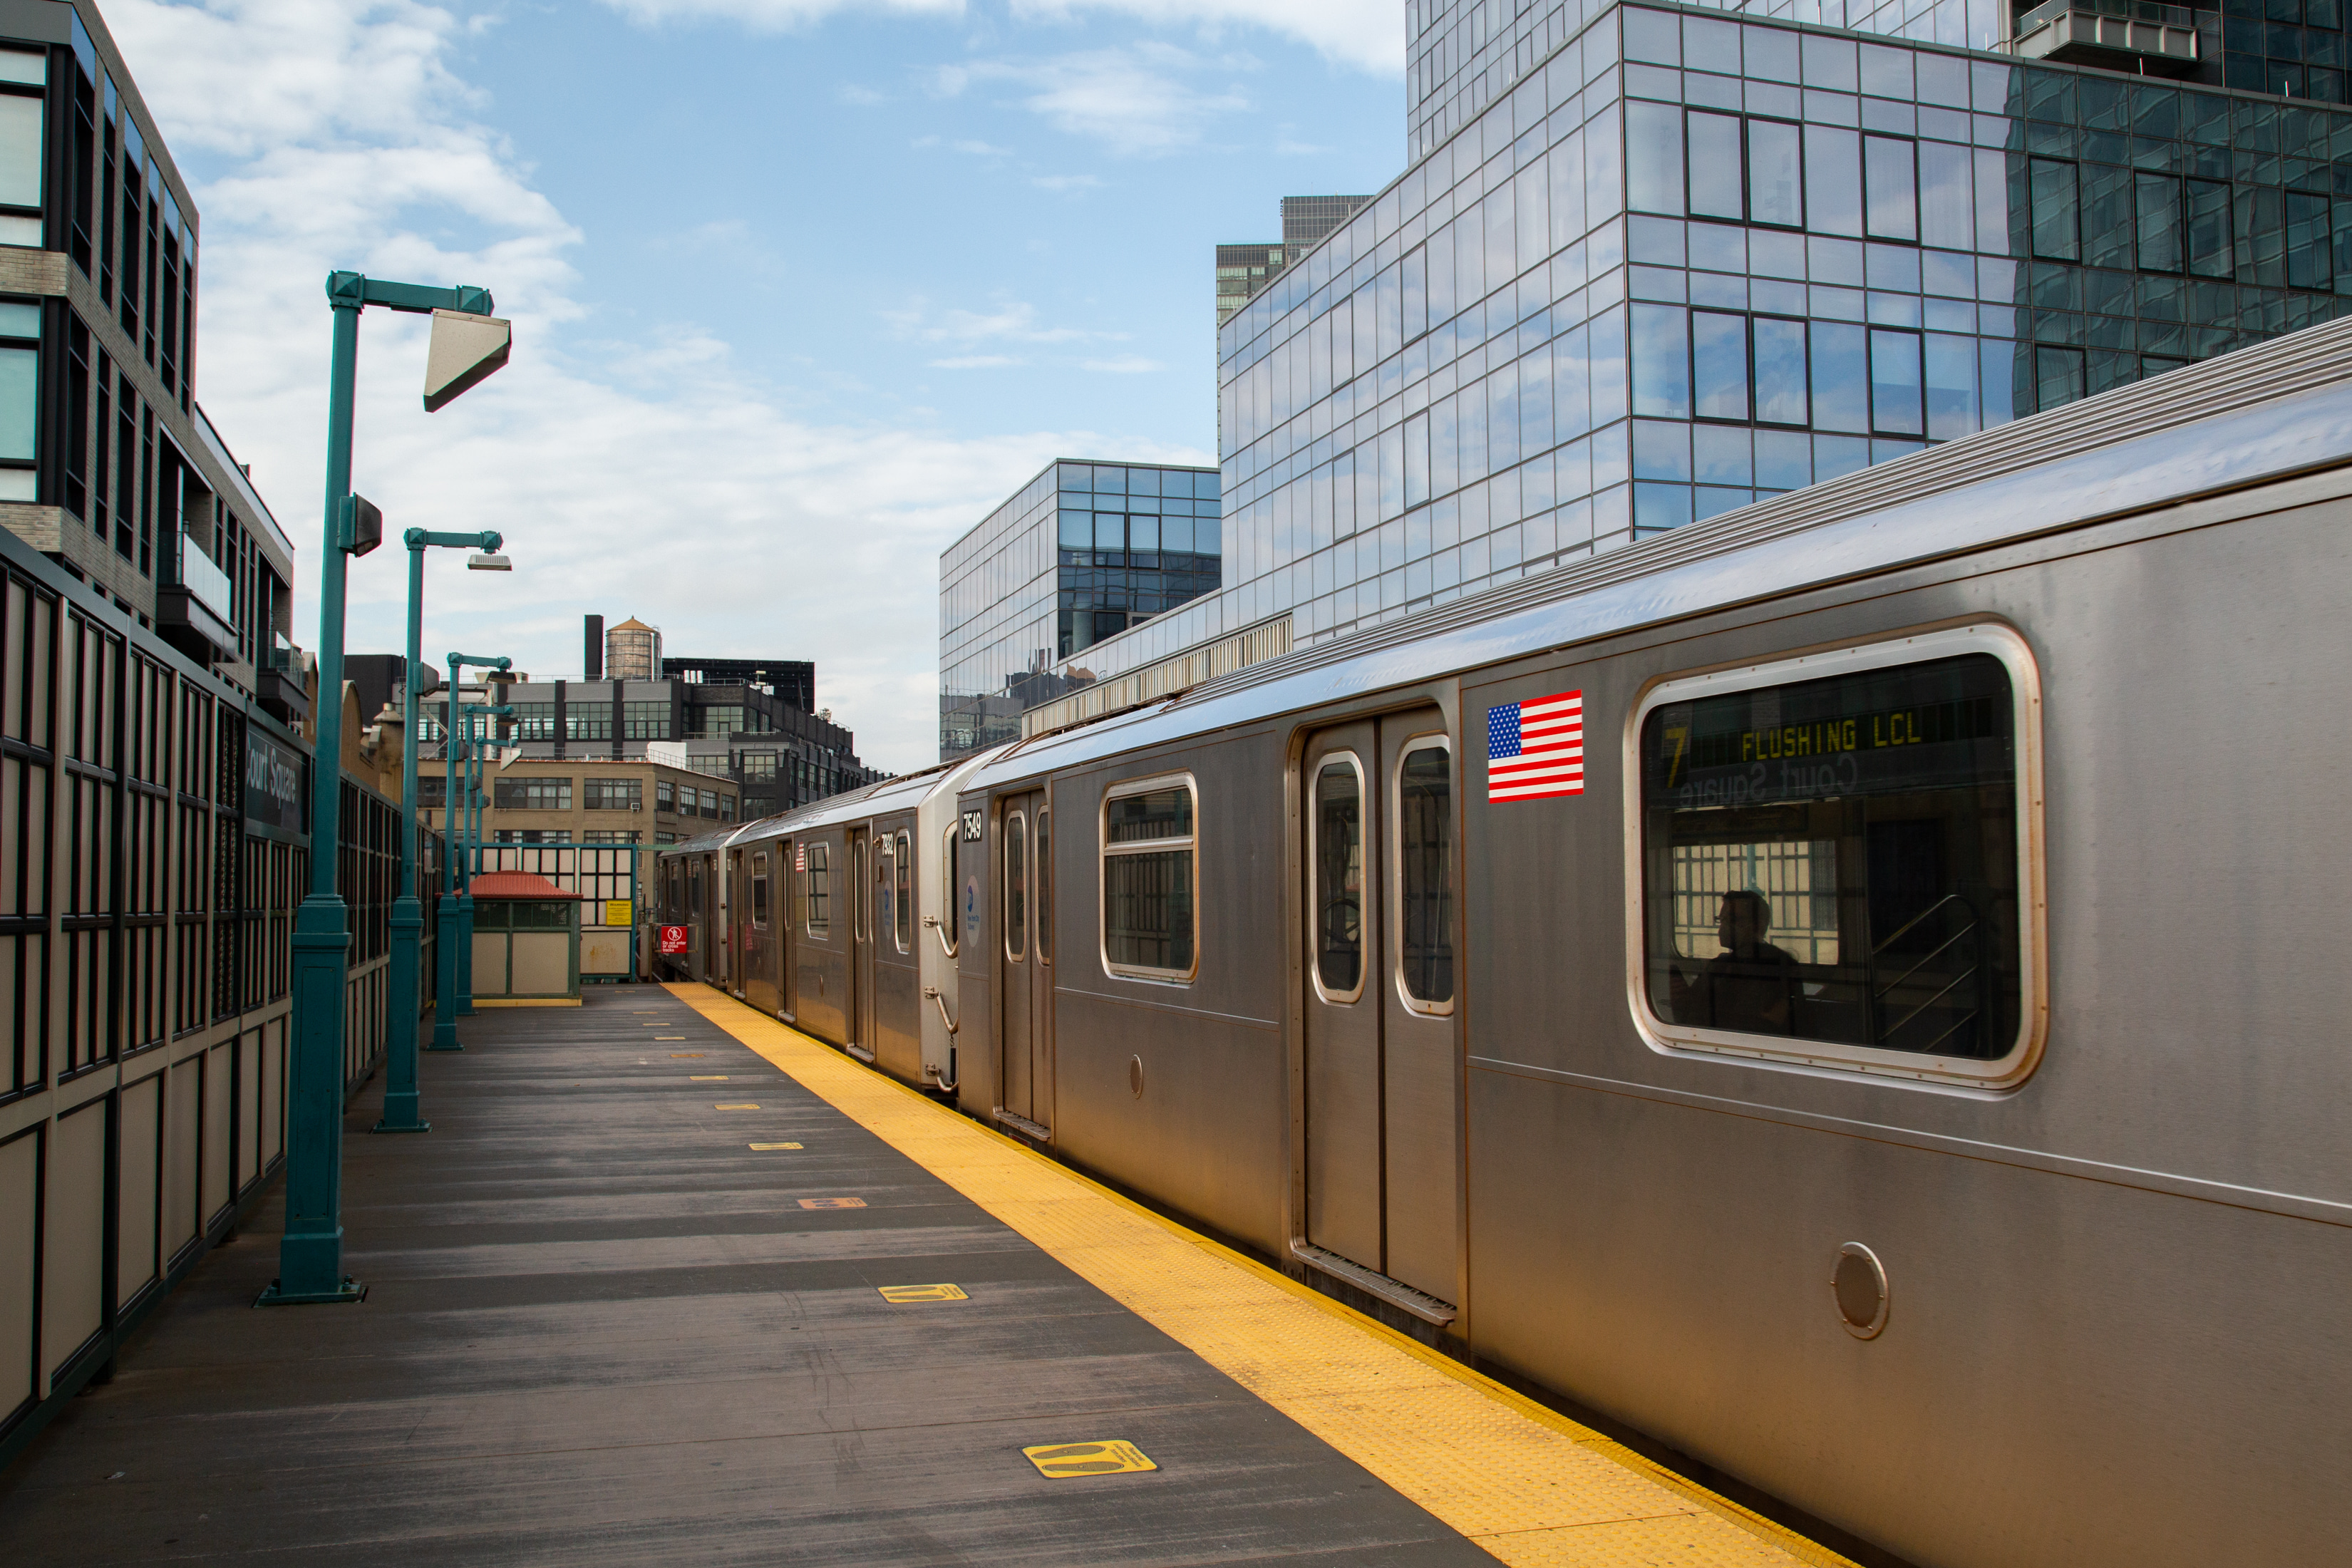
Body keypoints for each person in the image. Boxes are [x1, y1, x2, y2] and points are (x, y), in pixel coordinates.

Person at [1671, 889, 1800, 1034]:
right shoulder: (1721, 965)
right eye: (1722, 919)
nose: (1724, 926)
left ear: (1758, 925)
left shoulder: (1774, 966)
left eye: (1732, 919)